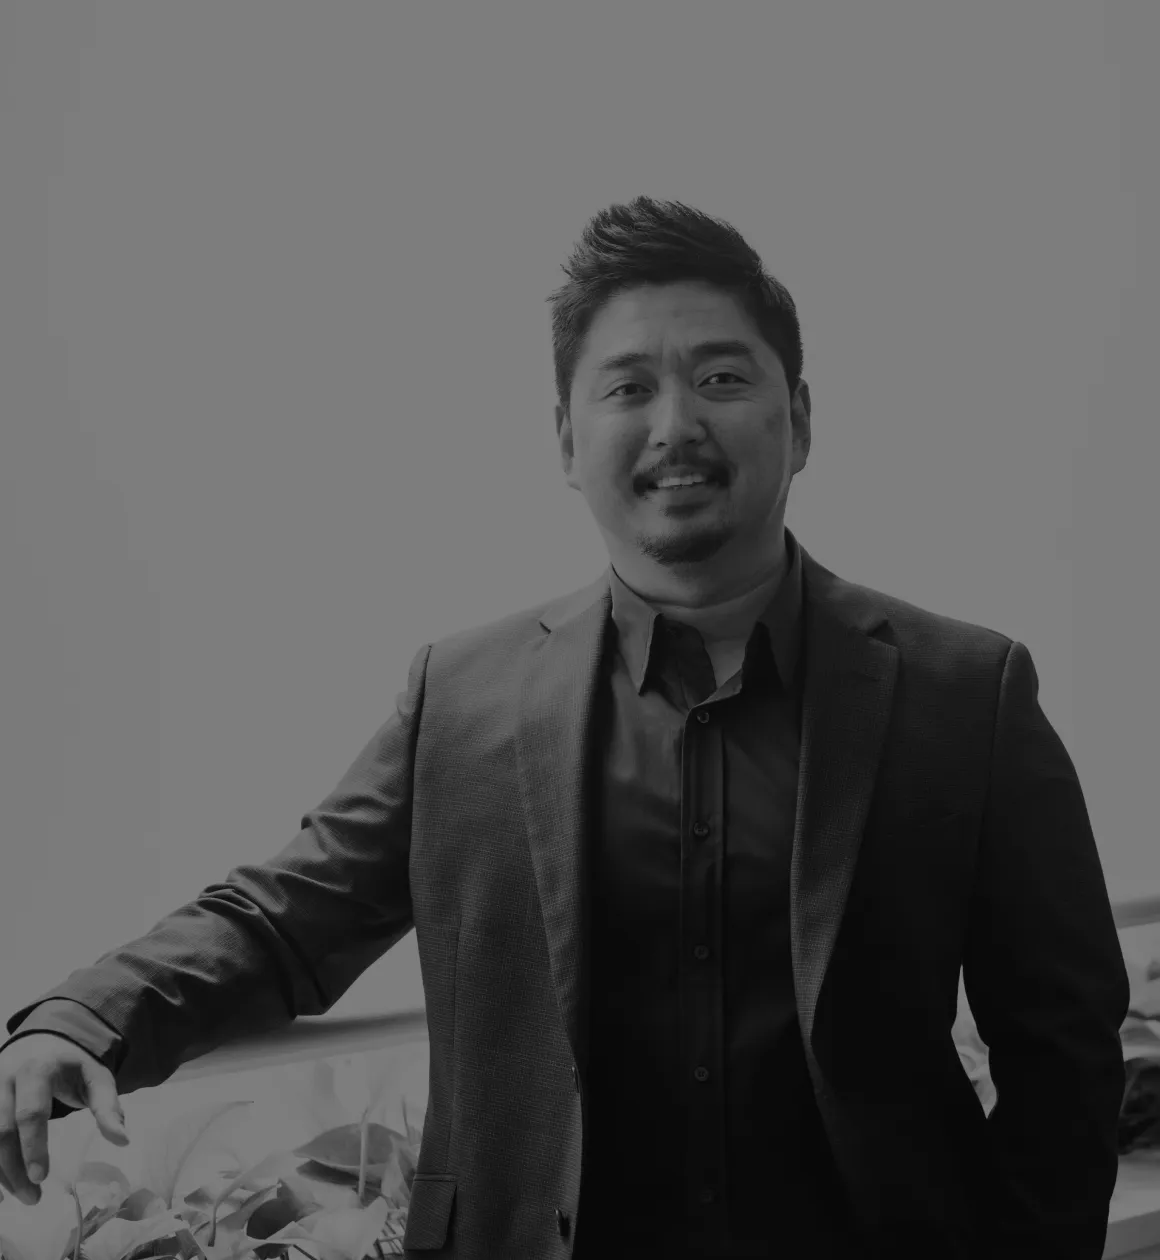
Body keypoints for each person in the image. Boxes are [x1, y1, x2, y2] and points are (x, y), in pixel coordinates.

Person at [0, 197, 1130, 1259]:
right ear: (564, 439)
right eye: (626, 387)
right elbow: (288, 915)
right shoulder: (464, 695)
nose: (674, 424)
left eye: (721, 377)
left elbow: (1061, 1040)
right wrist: (80, 1019)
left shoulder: (964, 692)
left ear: (798, 418)